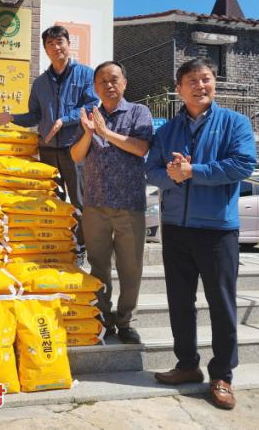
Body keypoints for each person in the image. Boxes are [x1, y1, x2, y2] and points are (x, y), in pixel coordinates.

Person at [146, 58, 256, 410]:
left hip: (217, 230)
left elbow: (243, 164)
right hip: (176, 228)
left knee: (221, 304)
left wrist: (194, 170)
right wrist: (173, 175)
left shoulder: (235, 123)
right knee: (180, 301)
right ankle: (187, 365)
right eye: (191, 80)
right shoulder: (167, 131)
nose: (200, 86)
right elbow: (150, 170)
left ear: (214, 83)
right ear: (179, 89)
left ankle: (222, 375)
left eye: (206, 78)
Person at [0, 25, 99, 260]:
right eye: (50, 44)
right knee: (51, 201)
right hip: (48, 150)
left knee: (79, 202)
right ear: (46, 49)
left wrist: (65, 120)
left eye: (60, 42)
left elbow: (92, 104)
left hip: (75, 149)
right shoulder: (40, 83)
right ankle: (57, 248)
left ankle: (79, 250)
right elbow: (35, 115)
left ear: (68, 44)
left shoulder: (86, 74)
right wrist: (13, 117)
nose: (56, 47)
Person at [70, 61, 152, 344]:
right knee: (99, 265)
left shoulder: (139, 112)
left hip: (129, 203)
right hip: (95, 203)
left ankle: (126, 320)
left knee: (131, 267)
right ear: (95, 87)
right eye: (102, 81)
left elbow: (141, 147)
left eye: (114, 79)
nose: (108, 85)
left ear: (125, 83)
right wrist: (89, 133)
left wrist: (106, 134)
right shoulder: (90, 115)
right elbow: (76, 156)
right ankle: (103, 316)